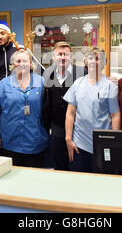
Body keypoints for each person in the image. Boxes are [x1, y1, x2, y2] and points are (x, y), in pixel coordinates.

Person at [63, 47, 120, 173]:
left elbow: (115, 115)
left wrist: (114, 142)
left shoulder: (110, 86)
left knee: (102, 185)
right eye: (90, 58)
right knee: (79, 184)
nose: (94, 61)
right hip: (79, 145)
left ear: (104, 63)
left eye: (98, 58)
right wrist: (68, 139)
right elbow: (70, 113)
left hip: (103, 145)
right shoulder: (78, 84)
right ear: (86, 62)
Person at [0, 49, 49, 167]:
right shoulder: (4, 84)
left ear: (31, 64)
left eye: (25, 61)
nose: (22, 63)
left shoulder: (42, 82)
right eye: (18, 61)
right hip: (10, 140)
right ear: (13, 65)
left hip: (35, 140)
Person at [42, 42, 87, 170]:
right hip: (56, 127)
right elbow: (46, 102)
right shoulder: (47, 74)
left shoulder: (82, 72)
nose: (63, 57)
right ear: (53, 56)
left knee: (76, 163)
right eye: (59, 54)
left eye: (66, 54)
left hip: (78, 127)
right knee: (59, 164)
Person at [0, 20, 19, 85]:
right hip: (0, 91)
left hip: (18, 91)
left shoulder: (20, 49)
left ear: (8, 34)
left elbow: (35, 70)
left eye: (2, 33)